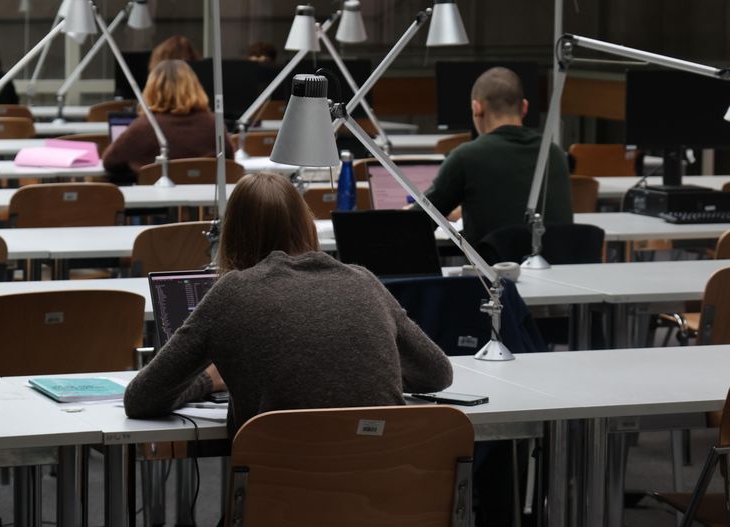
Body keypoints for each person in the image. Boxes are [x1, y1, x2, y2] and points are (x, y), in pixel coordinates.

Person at [123, 172, 453, 439]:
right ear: (306, 224)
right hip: (387, 487)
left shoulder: (232, 292)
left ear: (233, 236)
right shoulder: (364, 282)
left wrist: (209, 381)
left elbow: (141, 398)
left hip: (282, 491)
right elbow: (437, 373)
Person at [424, 66, 573, 246]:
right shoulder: (554, 154)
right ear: (524, 107)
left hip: (493, 264)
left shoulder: (466, 157)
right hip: (555, 263)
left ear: (477, 108)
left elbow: (418, 222)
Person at [101, 59, 233, 185]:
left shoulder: (144, 126)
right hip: (206, 198)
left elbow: (110, 162)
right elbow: (229, 160)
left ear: (152, 90)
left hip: (153, 199)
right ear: (195, 87)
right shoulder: (213, 124)